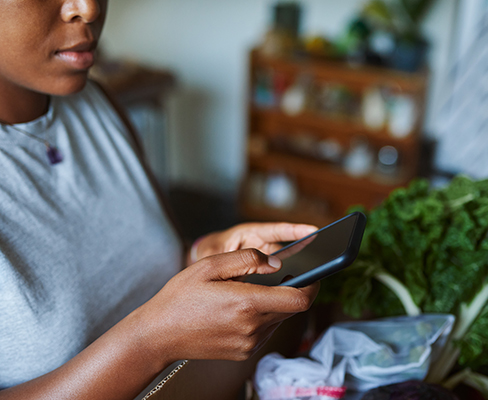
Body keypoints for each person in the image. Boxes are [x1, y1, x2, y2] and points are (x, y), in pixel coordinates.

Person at [0, 1, 319, 399]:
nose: (89, 8)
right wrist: (150, 341)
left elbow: (158, 260)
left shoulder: (96, 104)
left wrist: (206, 254)